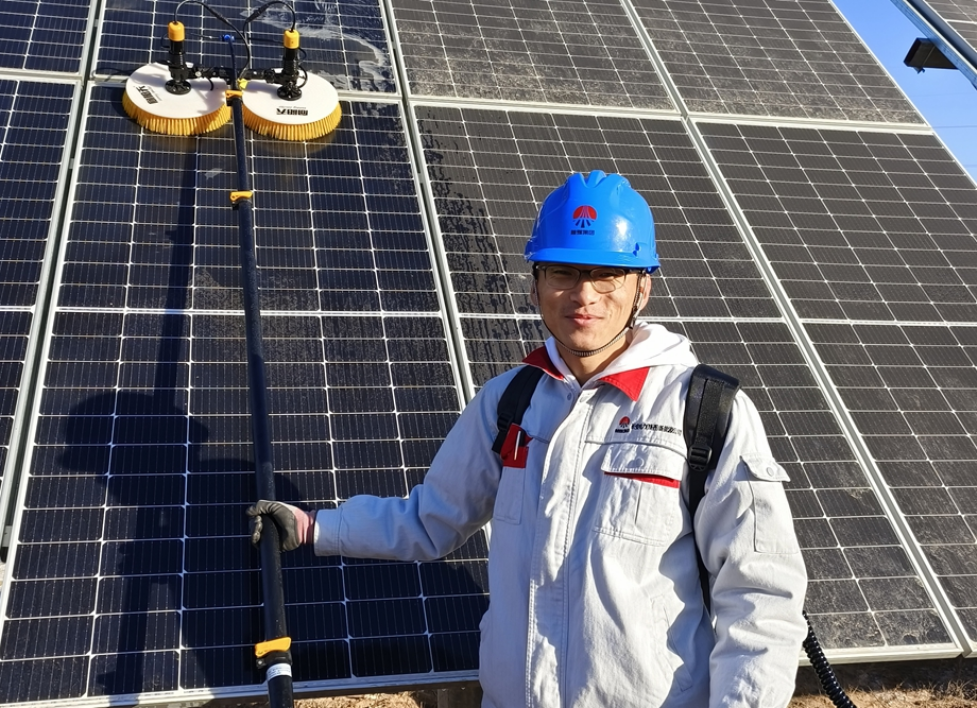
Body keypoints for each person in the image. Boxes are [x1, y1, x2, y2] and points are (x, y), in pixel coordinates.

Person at [251, 171, 808, 707]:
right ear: (536, 282)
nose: (584, 295)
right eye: (563, 272)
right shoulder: (508, 402)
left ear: (642, 287)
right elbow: (428, 520)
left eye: (607, 275)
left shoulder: (701, 411)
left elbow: (760, 595)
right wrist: (316, 527)